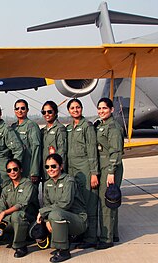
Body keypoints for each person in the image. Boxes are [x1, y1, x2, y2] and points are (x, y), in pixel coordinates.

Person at [37, 154, 87, 262]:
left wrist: (43, 212)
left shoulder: (69, 181)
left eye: (53, 166)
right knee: (51, 215)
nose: (50, 169)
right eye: (47, 167)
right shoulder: (47, 184)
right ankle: (62, 244)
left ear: (61, 166)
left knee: (55, 214)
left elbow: (66, 203)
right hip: (63, 218)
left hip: (78, 220)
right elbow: (47, 204)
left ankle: (64, 251)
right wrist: (46, 220)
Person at [65, 98, 99, 249]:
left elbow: (92, 151)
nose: (75, 110)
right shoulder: (69, 128)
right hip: (73, 171)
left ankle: (91, 237)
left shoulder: (87, 126)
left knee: (90, 203)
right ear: (69, 111)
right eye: (72, 108)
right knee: (78, 204)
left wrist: (93, 173)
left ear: (81, 109)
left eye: (78, 107)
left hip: (85, 169)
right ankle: (81, 233)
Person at [0, 159, 39, 258]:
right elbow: (0, 207)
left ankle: (20, 246)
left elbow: (22, 204)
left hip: (28, 218)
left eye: (15, 169)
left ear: (21, 170)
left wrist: (4, 212)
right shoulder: (7, 187)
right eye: (9, 170)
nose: (12, 172)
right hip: (12, 219)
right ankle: (12, 238)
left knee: (17, 215)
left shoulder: (28, 184)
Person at [94, 98, 124, 249]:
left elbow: (116, 151)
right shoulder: (101, 125)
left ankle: (107, 239)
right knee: (112, 201)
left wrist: (111, 172)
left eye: (104, 108)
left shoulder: (113, 127)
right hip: (104, 166)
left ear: (111, 110)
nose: (101, 111)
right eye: (99, 108)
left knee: (106, 202)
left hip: (110, 167)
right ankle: (114, 233)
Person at [11, 99, 41, 184]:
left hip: (28, 169)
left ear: (27, 110)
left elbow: (36, 149)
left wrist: (34, 172)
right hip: (16, 170)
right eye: (17, 109)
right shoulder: (13, 127)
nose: (20, 111)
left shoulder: (32, 126)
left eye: (22, 108)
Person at [41, 100, 67, 181]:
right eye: (44, 112)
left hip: (56, 170)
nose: (46, 114)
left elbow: (62, 151)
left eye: (49, 112)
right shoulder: (43, 131)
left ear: (55, 113)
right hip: (46, 170)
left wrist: (59, 169)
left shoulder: (60, 129)